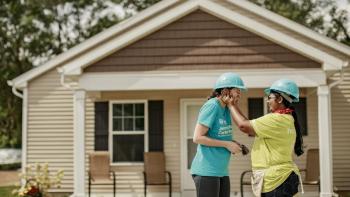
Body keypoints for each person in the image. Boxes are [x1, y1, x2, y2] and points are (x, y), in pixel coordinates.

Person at [224, 79, 304, 197]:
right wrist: (234, 105)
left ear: (280, 99)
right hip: (284, 178)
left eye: (269, 97)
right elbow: (248, 125)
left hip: (277, 181)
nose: (267, 101)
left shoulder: (277, 119)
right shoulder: (287, 119)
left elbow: (243, 125)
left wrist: (231, 105)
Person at [190, 72, 247, 197]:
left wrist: (233, 143)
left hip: (221, 171)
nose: (239, 94)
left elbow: (220, 135)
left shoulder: (226, 108)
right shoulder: (212, 106)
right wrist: (227, 144)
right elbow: (197, 137)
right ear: (225, 91)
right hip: (206, 171)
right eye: (237, 90)